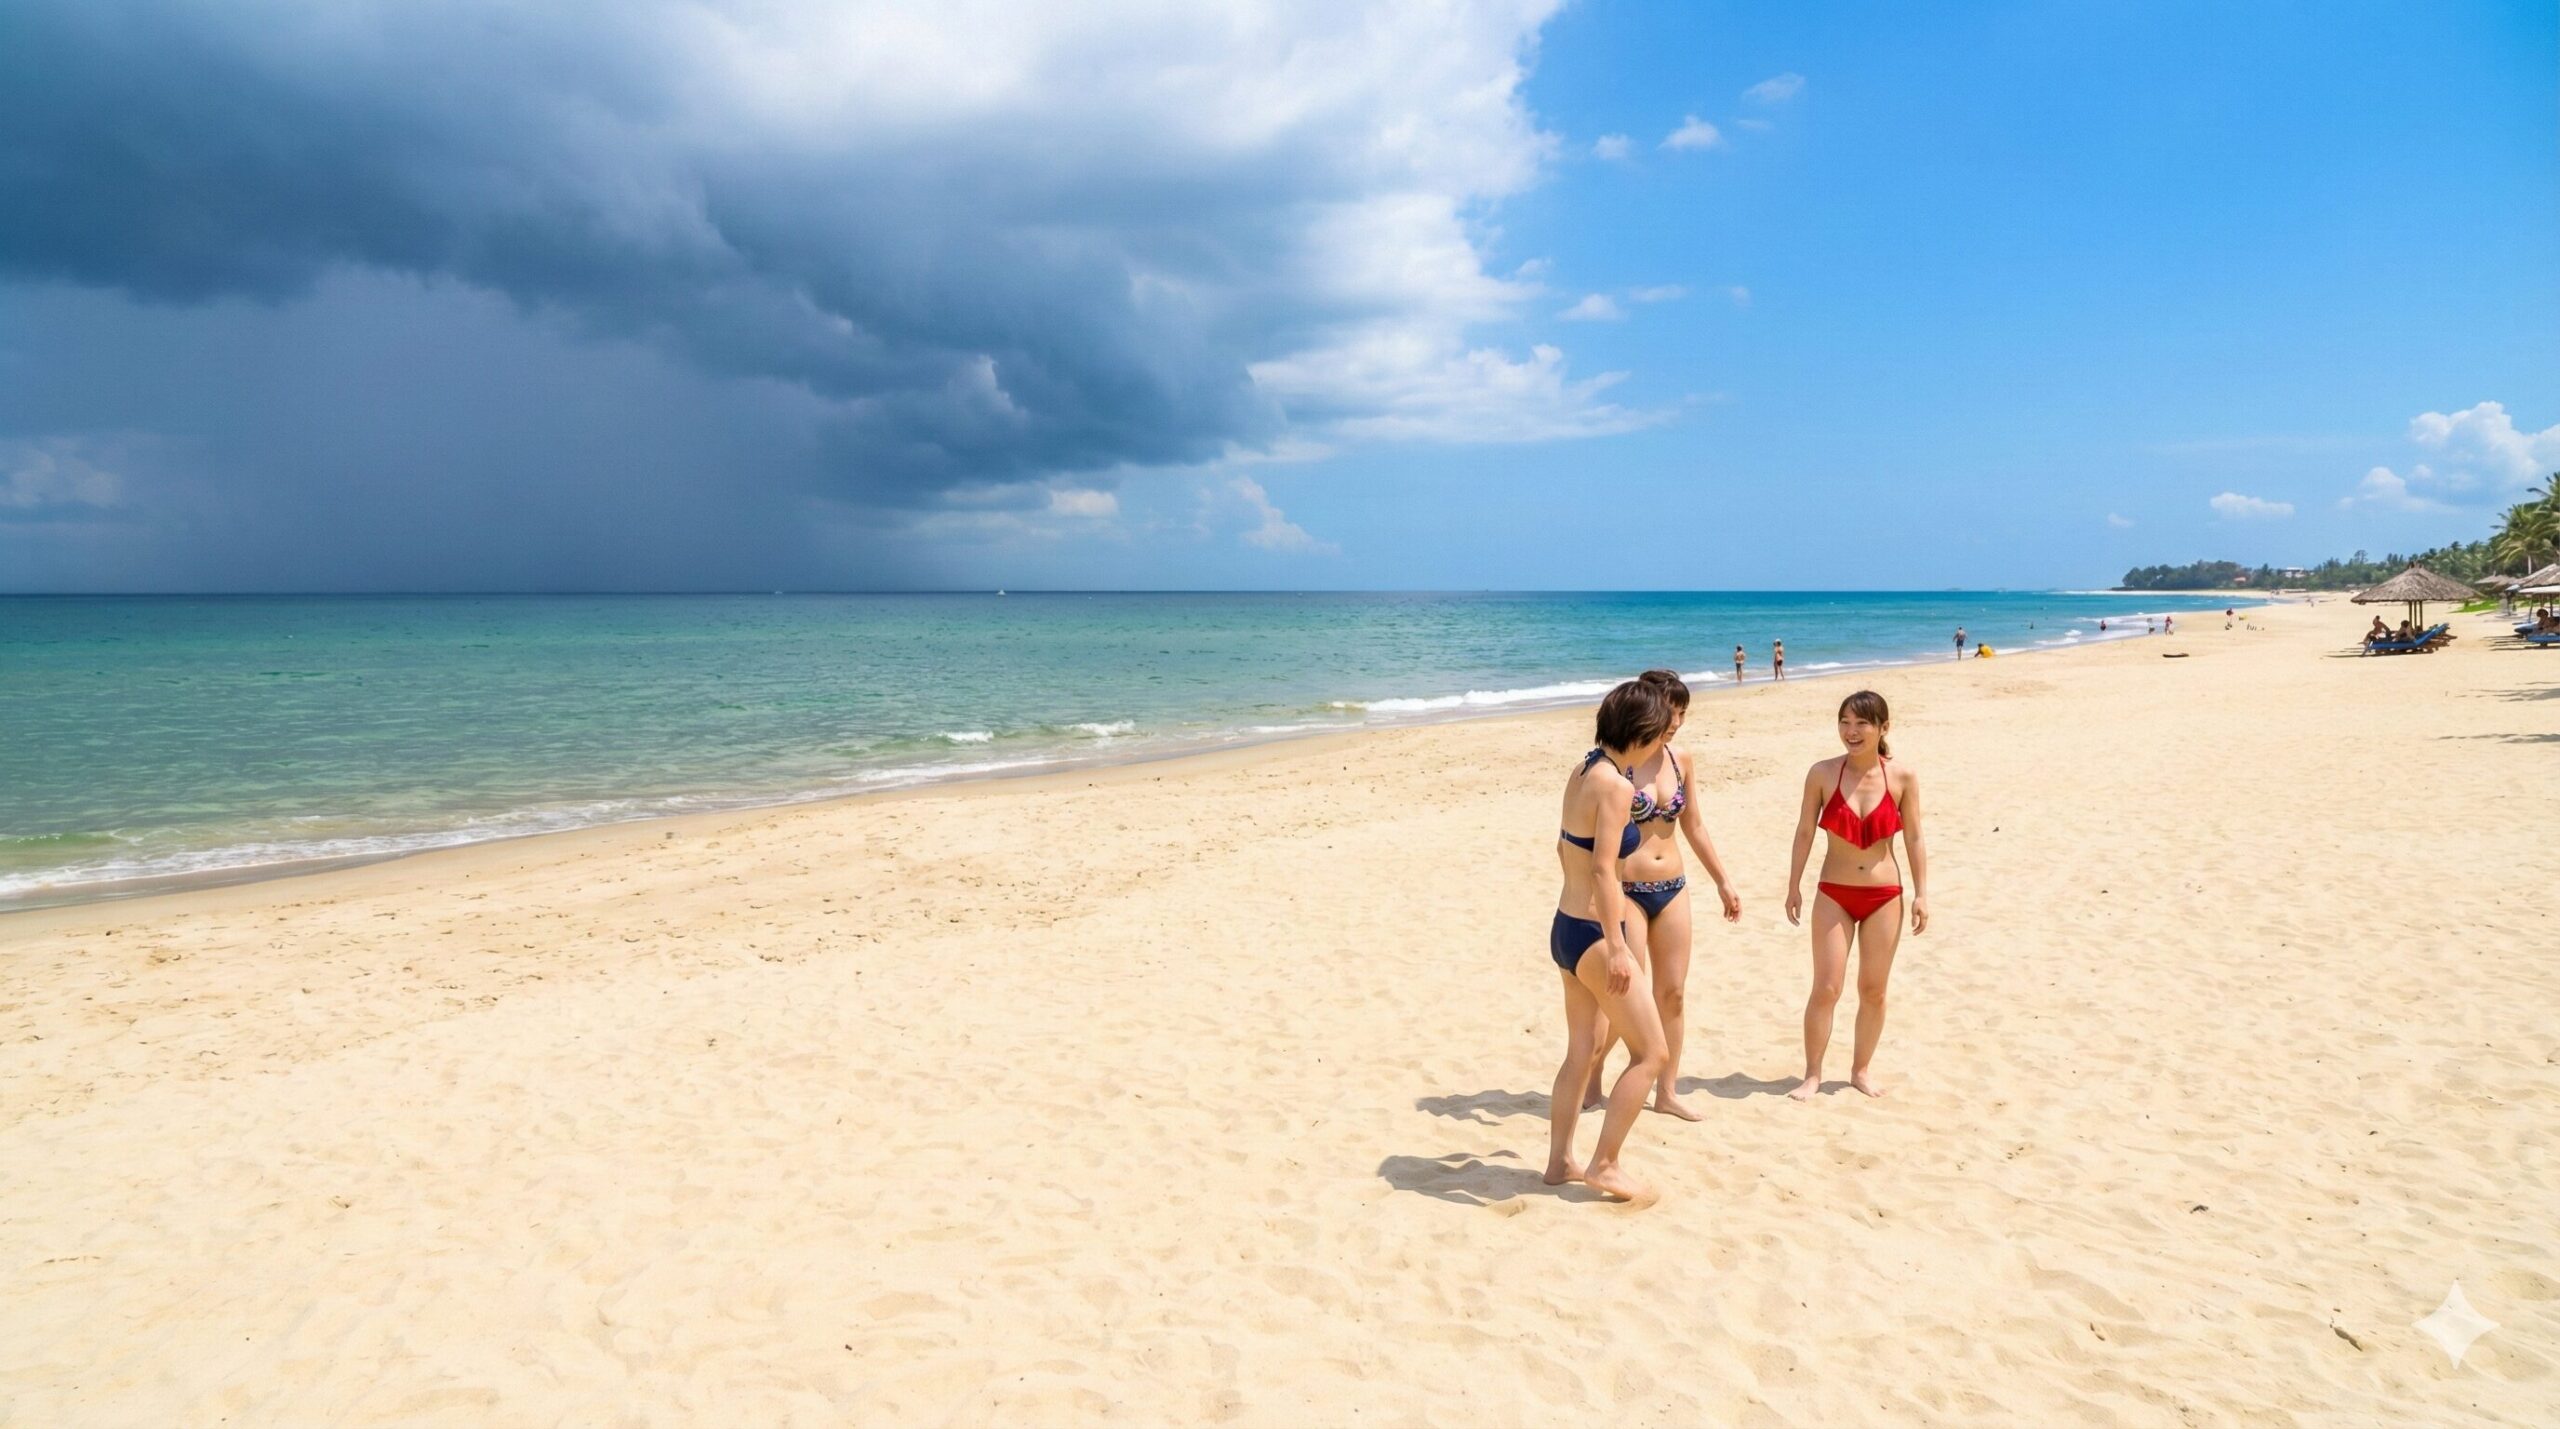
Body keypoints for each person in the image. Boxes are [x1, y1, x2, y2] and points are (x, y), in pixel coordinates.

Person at [1579, 671, 1743, 1122]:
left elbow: (1694, 825)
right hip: (1626, 890)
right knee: (1623, 996)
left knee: (1672, 995)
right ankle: (1592, 1081)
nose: (1676, 720)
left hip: (1673, 888)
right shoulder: (1617, 765)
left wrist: (1722, 880)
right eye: (1670, 710)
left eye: (1683, 711)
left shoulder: (1681, 759)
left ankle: (1666, 1091)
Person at [1544, 680, 1676, 1202]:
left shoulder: (1582, 771)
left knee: (1583, 1049)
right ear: (1641, 732)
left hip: (1565, 927)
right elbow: (1604, 870)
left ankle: (1559, 1162)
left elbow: (1563, 850)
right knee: (1652, 1053)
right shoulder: (1617, 787)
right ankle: (1605, 1164)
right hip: (1597, 936)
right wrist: (1619, 946)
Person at [1783, 690, 1930, 1101]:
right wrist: (1793, 884)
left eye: (1862, 723)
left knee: (1873, 989)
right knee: (1827, 987)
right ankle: (1812, 1074)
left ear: (1883, 728)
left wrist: (1922, 893)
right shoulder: (1822, 774)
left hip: (1885, 894)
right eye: (1845, 722)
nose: (1852, 731)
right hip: (1834, 893)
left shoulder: (1901, 777)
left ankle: (1860, 1070)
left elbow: (1915, 836)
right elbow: (1804, 832)